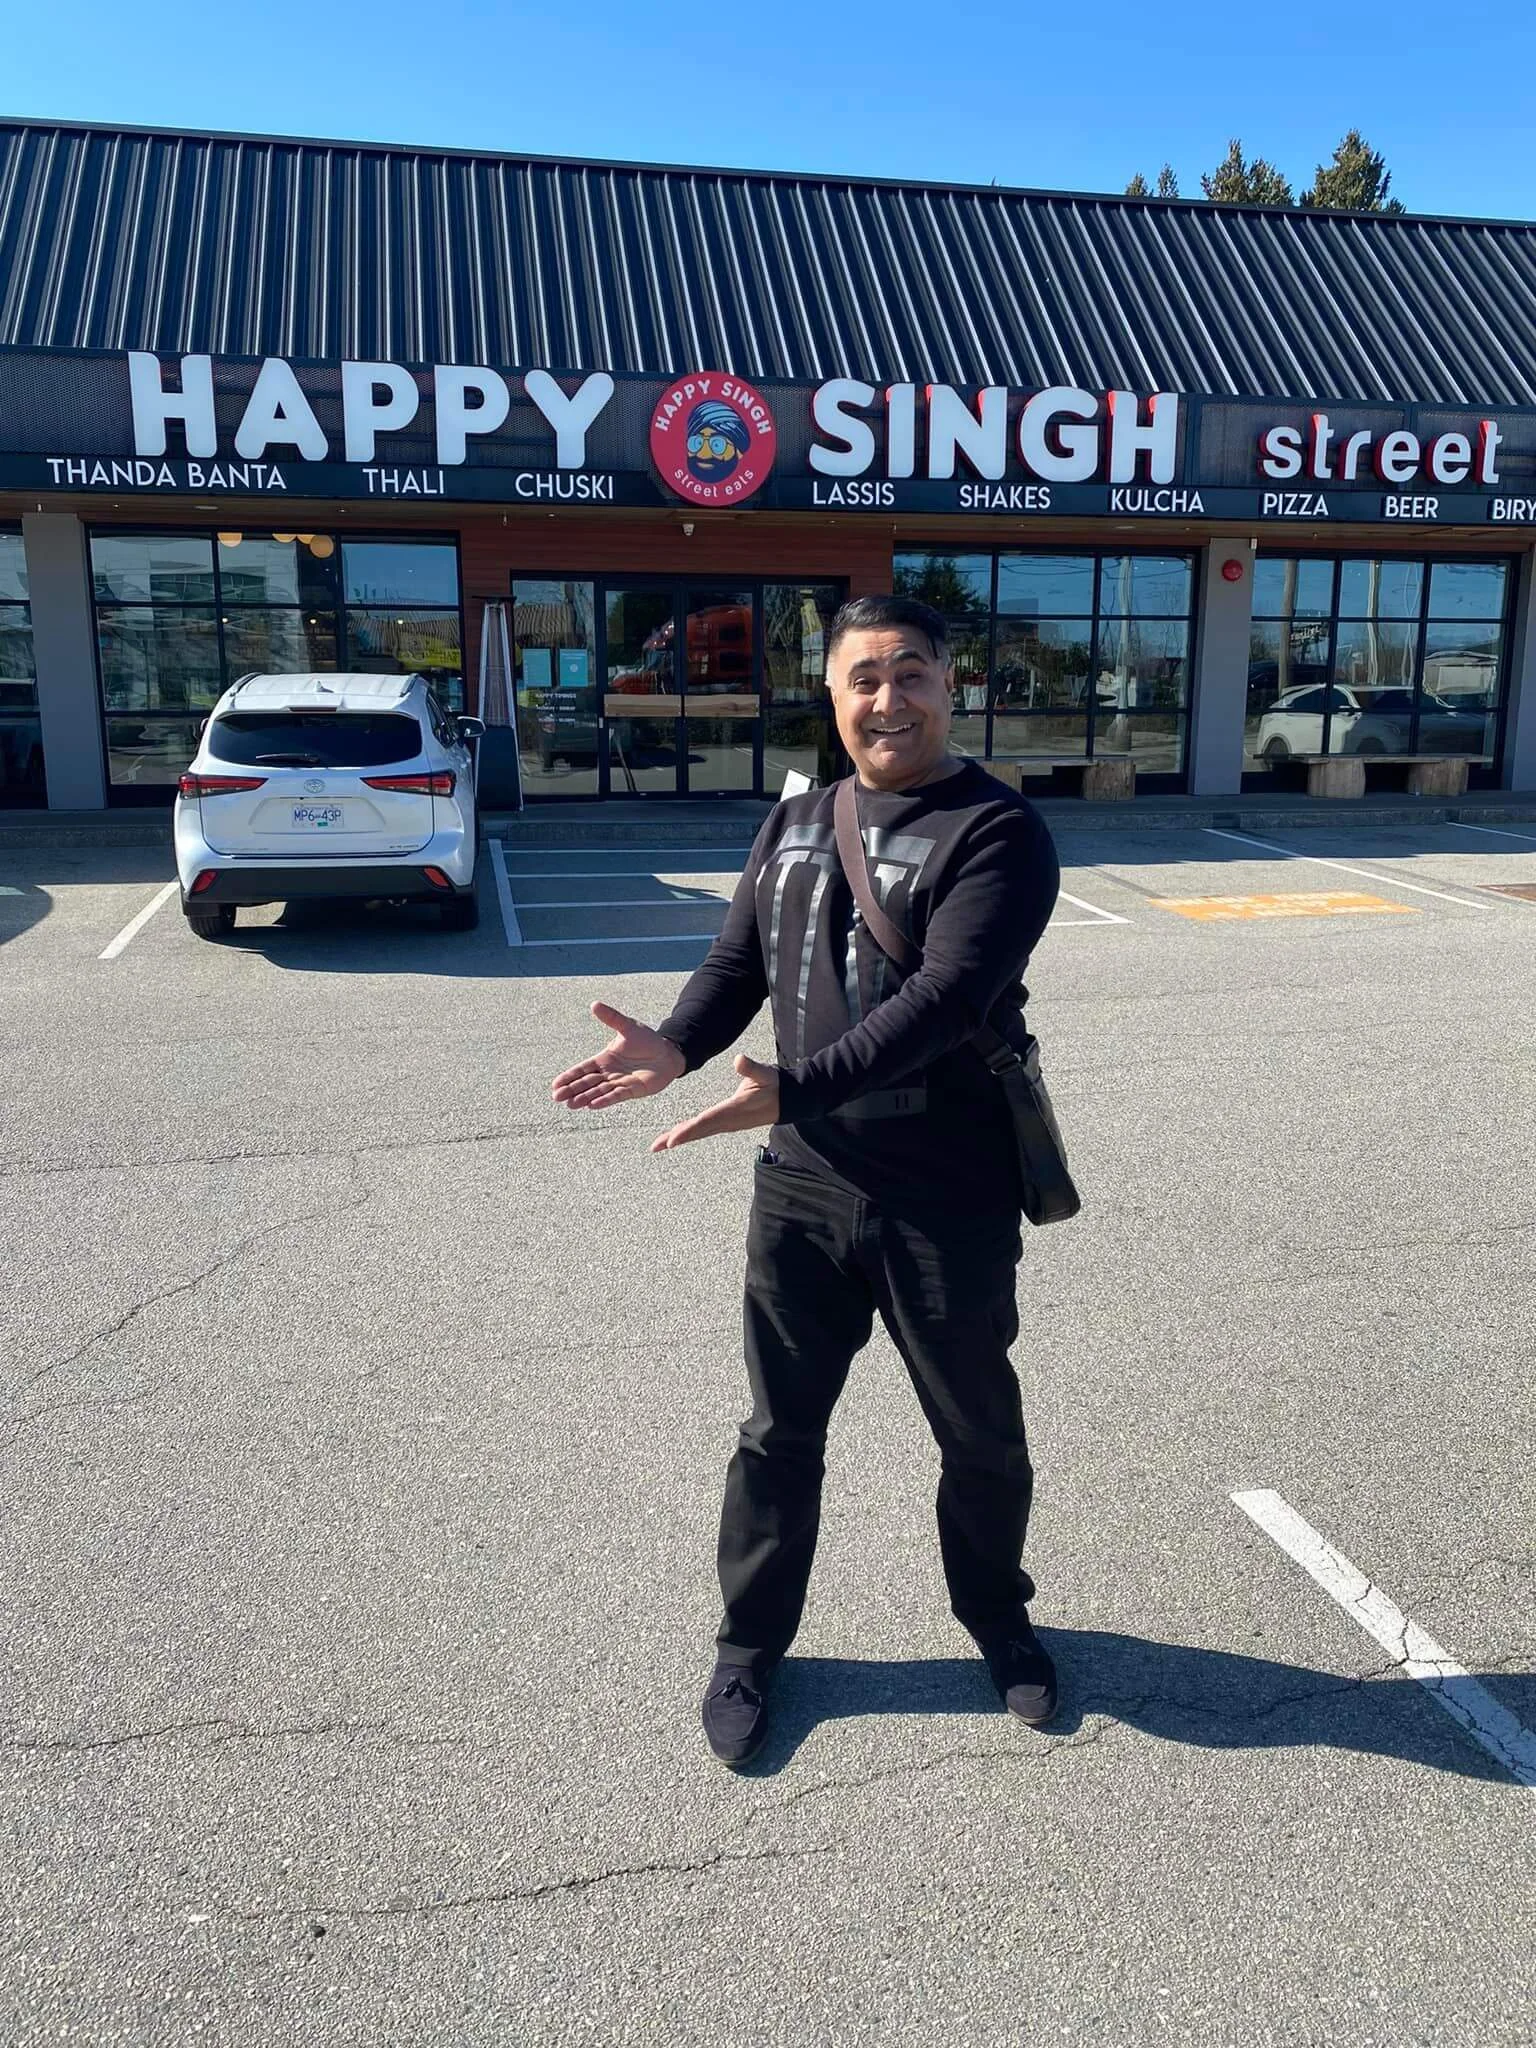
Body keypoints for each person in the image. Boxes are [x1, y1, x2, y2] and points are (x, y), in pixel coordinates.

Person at [551, 594, 1062, 1767]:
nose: (889, 698)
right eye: (863, 677)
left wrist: (791, 1086)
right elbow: (739, 960)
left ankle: (999, 1618)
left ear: (950, 684)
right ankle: (748, 1644)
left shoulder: (998, 830)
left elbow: (945, 1001)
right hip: (804, 1185)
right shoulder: (795, 818)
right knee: (777, 1433)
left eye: (912, 672)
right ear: (831, 694)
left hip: (946, 1189)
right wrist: (677, 1044)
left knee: (979, 1432)